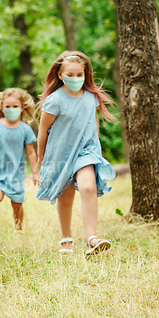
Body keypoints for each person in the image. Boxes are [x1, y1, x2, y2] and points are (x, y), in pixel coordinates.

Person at [37, 51, 116, 256]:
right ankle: (66, 238)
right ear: (61, 75)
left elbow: (94, 123)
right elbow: (43, 131)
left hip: (86, 151)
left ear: (85, 74)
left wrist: (95, 149)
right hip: (60, 152)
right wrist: (41, 158)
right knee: (66, 196)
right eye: (69, 75)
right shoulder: (55, 100)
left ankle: (91, 238)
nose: (75, 79)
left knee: (88, 186)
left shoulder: (91, 98)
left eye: (79, 75)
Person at [0, 88, 39, 232]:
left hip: (15, 175)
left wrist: (35, 172)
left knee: (17, 205)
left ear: (22, 107)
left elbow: (31, 152)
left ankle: (18, 229)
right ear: (2, 107)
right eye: (8, 106)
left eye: (15, 106)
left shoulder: (25, 129)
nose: (11, 109)